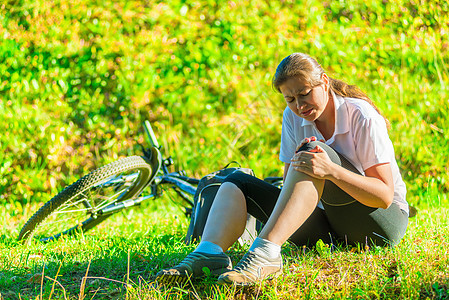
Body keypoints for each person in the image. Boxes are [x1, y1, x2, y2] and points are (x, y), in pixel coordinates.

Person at [156, 52, 409, 286]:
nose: (300, 106)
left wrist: (331, 171)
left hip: (377, 227)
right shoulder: (293, 118)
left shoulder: (361, 116)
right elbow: (290, 190)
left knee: (313, 153)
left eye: (305, 93)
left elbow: (385, 196)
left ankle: (265, 254)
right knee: (237, 180)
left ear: (323, 81)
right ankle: (209, 254)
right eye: (290, 99)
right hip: (328, 230)